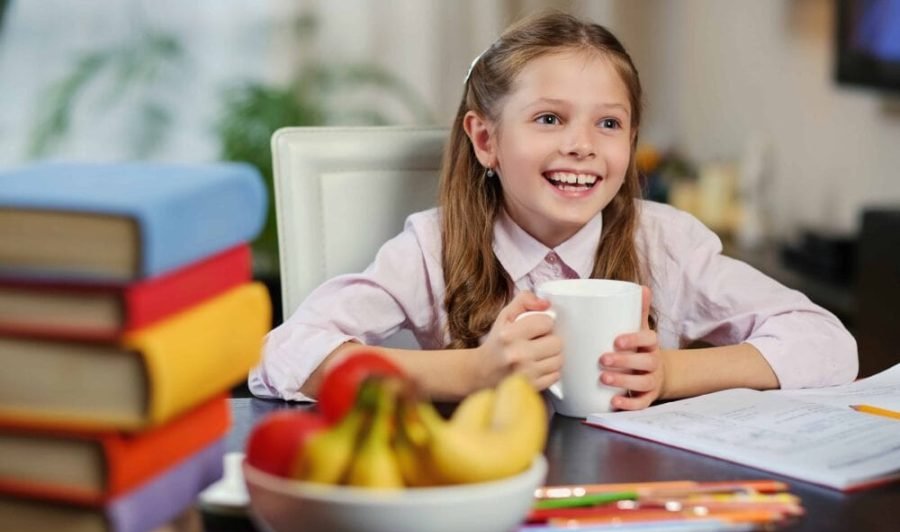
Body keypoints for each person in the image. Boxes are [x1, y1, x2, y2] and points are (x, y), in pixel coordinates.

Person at [249, 10, 857, 409]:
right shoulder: (432, 248)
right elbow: (285, 353)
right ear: (485, 139)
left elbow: (828, 344)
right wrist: (472, 372)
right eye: (548, 118)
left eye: (609, 123)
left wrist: (671, 374)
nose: (582, 145)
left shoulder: (665, 243)